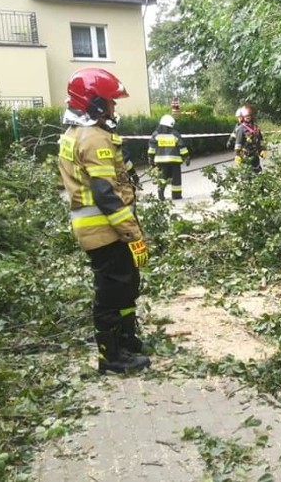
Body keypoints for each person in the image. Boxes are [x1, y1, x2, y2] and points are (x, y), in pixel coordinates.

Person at [57, 67, 151, 374]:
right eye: (110, 102)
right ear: (94, 103)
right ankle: (111, 357)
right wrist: (132, 233)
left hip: (101, 230)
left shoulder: (76, 134)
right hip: (104, 230)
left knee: (125, 285)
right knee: (111, 293)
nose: (114, 108)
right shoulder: (94, 137)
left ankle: (126, 340)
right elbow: (106, 195)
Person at [148, 114, 190, 200]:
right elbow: (181, 146)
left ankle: (161, 190)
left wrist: (150, 158)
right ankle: (176, 195)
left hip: (160, 161)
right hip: (175, 161)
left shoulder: (156, 134)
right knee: (176, 179)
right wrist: (186, 157)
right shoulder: (175, 134)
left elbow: (151, 148)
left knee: (163, 177)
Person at [234, 104, 267, 172]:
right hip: (245, 156)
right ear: (243, 117)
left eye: (249, 116)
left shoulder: (256, 127)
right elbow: (238, 143)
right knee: (247, 176)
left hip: (255, 156)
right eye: (245, 116)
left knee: (257, 175)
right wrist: (237, 155)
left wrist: (262, 150)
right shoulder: (241, 128)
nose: (247, 117)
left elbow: (260, 140)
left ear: (252, 116)